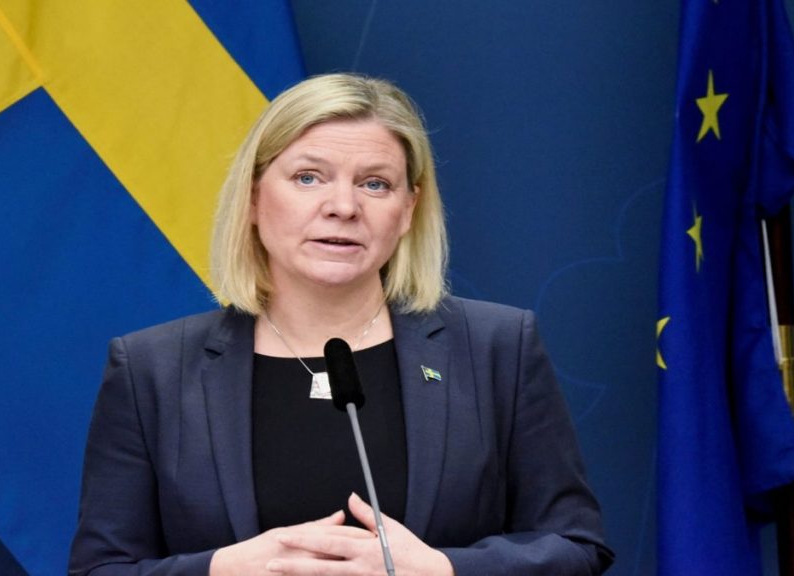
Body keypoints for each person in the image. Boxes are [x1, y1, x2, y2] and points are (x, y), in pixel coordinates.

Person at [69, 73, 614, 576]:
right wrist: (217, 570)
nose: (343, 207)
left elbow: (577, 546)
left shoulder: (497, 348)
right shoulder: (152, 370)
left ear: (408, 209)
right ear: (254, 198)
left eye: (375, 184)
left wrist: (443, 571)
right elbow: (100, 568)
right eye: (308, 177)